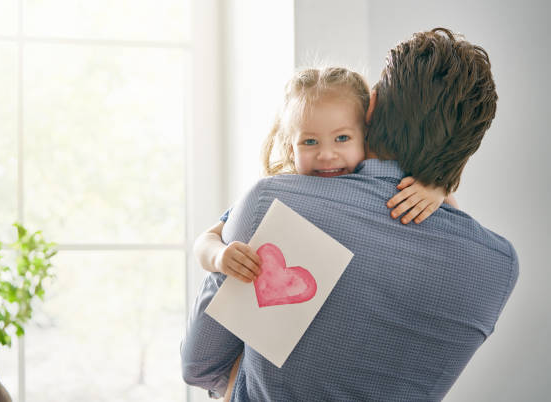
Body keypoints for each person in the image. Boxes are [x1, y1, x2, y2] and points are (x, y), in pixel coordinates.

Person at [181, 27, 519, 401]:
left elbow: (199, 366)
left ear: (370, 107)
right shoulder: (498, 266)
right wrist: (441, 181)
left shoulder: (273, 204)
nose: (326, 153)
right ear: (467, 150)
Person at [194, 66, 455, 284]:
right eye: (310, 142)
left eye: (342, 138)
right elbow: (206, 239)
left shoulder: (385, 186)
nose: (326, 155)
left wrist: (437, 189)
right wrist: (219, 256)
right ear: (289, 147)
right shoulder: (282, 192)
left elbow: (454, 219)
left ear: (366, 135)